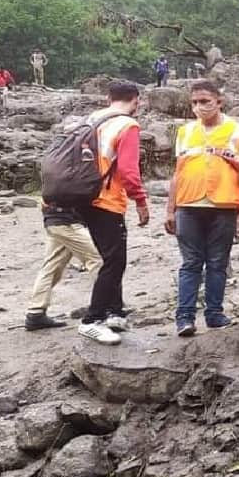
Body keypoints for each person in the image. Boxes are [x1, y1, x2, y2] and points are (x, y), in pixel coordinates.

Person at [164, 81, 239, 336]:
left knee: (217, 262)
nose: (199, 107)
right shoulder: (185, 132)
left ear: (219, 102)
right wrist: (170, 209)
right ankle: (185, 318)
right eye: (194, 102)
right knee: (191, 262)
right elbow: (177, 173)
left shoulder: (237, 131)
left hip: (224, 205)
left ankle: (214, 314)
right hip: (188, 205)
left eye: (205, 101)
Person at [77, 81, 150, 345]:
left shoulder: (91, 120)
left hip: (82, 195)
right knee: (115, 261)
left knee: (110, 256)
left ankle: (114, 312)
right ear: (136, 100)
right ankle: (92, 320)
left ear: (108, 98)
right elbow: (129, 170)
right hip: (106, 200)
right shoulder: (127, 125)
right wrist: (140, 200)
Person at [24, 202, 102, 330]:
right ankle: (107, 305)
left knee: (52, 266)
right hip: (68, 222)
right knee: (97, 261)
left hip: (55, 221)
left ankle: (35, 312)